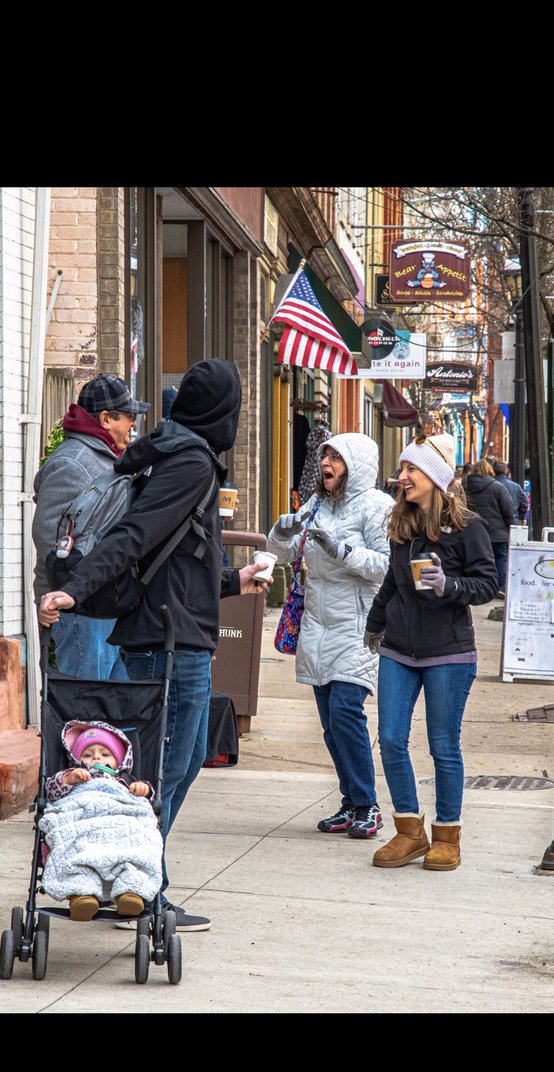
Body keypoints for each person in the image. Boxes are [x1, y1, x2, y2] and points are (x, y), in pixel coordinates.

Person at [38, 358, 270, 931]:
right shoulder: (190, 462)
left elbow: (177, 560)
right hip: (167, 639)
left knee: (180, 761)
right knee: (159, 771)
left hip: (174, 628)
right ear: (224, 413)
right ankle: (134, 884)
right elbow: (134, 535)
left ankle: (138, 879)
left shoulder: (175, 454)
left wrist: (234, 581)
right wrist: (75, 589)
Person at [364, 433, 498, 871]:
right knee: (389, 739)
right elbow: (391, 583)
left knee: (443, 745)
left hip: (449, 654)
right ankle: (408, 832)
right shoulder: (402, 527)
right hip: (399, 649)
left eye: (410, 470)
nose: (401, 477)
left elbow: (486, 585)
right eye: (402, 469)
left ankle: (447, 836)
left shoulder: (468, 529)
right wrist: (374, 625)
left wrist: (448, 586)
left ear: (435, 479)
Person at [268, 434, 394, 838]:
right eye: (325, 455)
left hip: (357, 624)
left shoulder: (377, 507)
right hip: (317, 622)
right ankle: (351, 802)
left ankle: (368, 804)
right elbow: (285, 554)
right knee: (329, 722)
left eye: (336, 458)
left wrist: (341, 551)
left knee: (345, 711)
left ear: (355, 465)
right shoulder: (317, 503)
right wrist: (280, 533)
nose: (327, 464)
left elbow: (387, 566)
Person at [32, 373, 150, 680]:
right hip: (81, 611)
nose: (134, 424)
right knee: (83, 707)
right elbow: (47, 538)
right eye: (129, 416)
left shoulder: (109, 457)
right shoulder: (71, 463)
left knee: (109, 710)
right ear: (106, 419)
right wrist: (73, 590)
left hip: (106, 604)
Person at [40, 721, 163, 921]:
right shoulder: (72, 776)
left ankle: (130, 892)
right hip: (81, 818)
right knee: (77, 851)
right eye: (88, 755)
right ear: (76, 759)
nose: (96, 757)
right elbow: (50, 792)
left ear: (120, 760)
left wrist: (144, 790)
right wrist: (68, 780)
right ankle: (82, 894)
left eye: (105, 754)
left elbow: (147, 801)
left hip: (122, 818)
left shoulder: (126, 780)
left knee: (135, 846)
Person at [464, 459, 514, 597]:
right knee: (500, 558)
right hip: (498, 532)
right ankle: (499, 587)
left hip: (475, 531)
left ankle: (481, 587)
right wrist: (511, 526)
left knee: (478, 558)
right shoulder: (497, 487)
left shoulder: (467, 487)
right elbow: (507, 509)